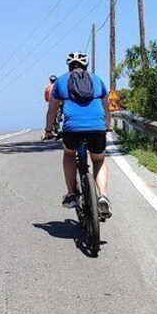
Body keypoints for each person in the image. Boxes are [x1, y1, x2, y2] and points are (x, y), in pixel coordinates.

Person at [43, 51, 112, 219]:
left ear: (69, 66)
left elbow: (52, 110)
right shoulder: (97, 79)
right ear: (86, 65)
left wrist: (48, 130)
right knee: (99, 159)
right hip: (97, 128)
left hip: (72, 129)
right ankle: (102, 195)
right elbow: (106, 107)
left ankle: (72, 195)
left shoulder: (60, 81)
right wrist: (107, 126)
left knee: (68, 154)